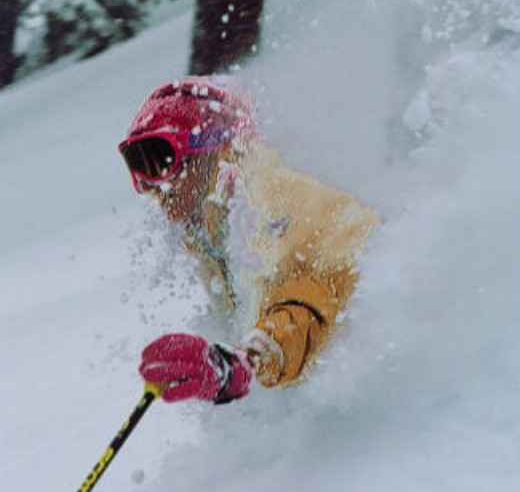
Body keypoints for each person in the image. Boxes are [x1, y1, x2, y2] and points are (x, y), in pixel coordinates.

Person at [118, 77, 379, 404]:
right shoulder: (208, 224)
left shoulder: (271, 201)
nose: (148, 184)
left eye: (159, 159)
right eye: (135, 164)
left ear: (213, 149)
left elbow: (307, 301)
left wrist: (239, 362)